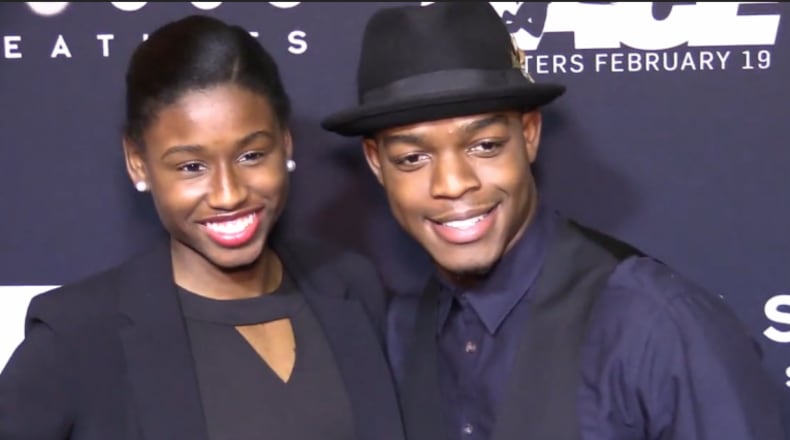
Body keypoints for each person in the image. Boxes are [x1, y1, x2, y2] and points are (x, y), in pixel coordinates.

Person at [321, 3, 786, 440]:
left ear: (528, 135)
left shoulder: (656, 326)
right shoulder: (404, 330)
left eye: (484, 146)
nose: (453, 183)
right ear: (376, 164)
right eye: (413, 158)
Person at [0, 14, 405, 440]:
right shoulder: (78, 336)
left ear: (285, 143)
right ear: (138, 161)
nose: (228, 194)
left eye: (251, 156)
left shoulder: (353, 286)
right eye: (191, 167)